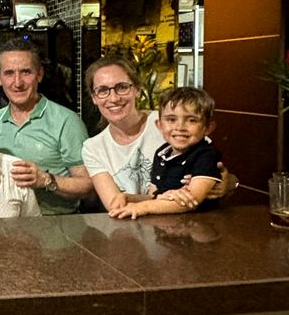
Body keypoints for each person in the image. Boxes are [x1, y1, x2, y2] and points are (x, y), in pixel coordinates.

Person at [82, 57, 236, 211]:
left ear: (137, 90)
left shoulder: (171, 123)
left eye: (122, 87)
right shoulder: (93, 148)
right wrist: (161, 198)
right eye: (102, 91)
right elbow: (117, 206)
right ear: (94, 98)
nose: (114, 98)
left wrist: (228, 183)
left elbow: (213, 168)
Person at [0, 39, 93, 215]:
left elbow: (89, 186)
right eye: (9, 73)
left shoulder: (66, 121)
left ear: (39, 74)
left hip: (57, 226)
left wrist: (45, 179)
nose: (17, 82)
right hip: (5, 226)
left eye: (25, 72)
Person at [108, 87, 222, 219]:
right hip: (164, 230)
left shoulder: (206, 155)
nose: (180, 127)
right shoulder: (161, 153)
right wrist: (128, 198)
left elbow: (191, 201)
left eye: (191, 120)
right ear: (160, 126)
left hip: (196, 227)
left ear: (208, 128)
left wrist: (142, 207)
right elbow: (154, 196)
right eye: (171, 119)